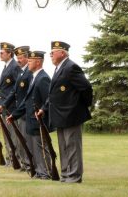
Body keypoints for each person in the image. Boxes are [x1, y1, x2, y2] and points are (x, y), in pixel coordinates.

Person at [37, 41, 93, 183]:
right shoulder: (58, 69)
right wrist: (44, 109)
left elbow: (86, 88)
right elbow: (53, 94)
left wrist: (81, 106)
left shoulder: (71, 67)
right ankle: (66, 174)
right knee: (63, 147)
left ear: (62, 53)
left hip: (72, 115)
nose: (50, 54)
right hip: (60, 116)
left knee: (72, 147)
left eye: (53, 51)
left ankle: (74, 176)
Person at [7, 50, 51, 179]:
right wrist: (15, 115)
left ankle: (46, 172)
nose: (28, 63)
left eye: (31, 61)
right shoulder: (34, 77)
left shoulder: (43, 78)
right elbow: (27, 101)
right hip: (31, 119)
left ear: (38, 62)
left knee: (41, 147)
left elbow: (49, 98)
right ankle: (39, 171)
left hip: (39, 120)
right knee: (34, 148)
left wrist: (43, 109)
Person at [0, 46, 32, 171]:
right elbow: (1, 88)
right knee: (8, 136)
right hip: (6, 106)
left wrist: (5, 104)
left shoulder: (15, 67)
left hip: (14, 108)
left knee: (15, 137)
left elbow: (17, 91)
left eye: (2, 52)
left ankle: (16, 160)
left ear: (8, 54)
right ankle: (12, 160)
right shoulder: (7, 67)